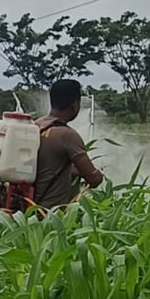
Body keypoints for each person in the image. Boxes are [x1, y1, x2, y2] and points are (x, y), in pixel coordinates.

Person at [33, 79, 103, 209]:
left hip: (27, 208)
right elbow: (94, 179)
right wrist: (98, 174)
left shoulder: (34, 126)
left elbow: (45, 166)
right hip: (51, 215)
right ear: (75, 105)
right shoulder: (67, 135)